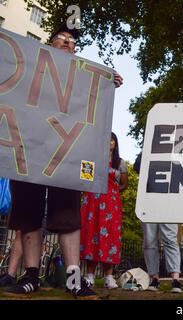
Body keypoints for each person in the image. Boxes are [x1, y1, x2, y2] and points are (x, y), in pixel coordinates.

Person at [5, 24, 123, 298]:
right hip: (29, 150)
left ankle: (73, 279)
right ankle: (31, 276)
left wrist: (107, 81)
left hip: (66, 155)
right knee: (28, 213)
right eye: (63, 39)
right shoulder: (32, 70)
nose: (69, 44)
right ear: (48, 45)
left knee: (68, 215)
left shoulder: (82, 79)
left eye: (73, 42)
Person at [81, 132, 128, 289]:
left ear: (115, 143)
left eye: (112, 140)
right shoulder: (91, 159)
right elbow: (84, 178)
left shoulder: (120, 162)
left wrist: (111, 192)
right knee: (92, 235)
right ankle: (90, 276)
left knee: (111, 237)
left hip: (110, 205)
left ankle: (109, 277)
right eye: (106, 139)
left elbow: (124, 184)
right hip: (92, 203)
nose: (109, 142)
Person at [133, 153, 183, 293]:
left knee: (170, 238)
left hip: (169, 199)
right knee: (149, 240)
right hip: (149, 199)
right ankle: (154, 277)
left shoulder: (176, 151)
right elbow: (137, 167)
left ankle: (176, 279)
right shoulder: (147, 149)